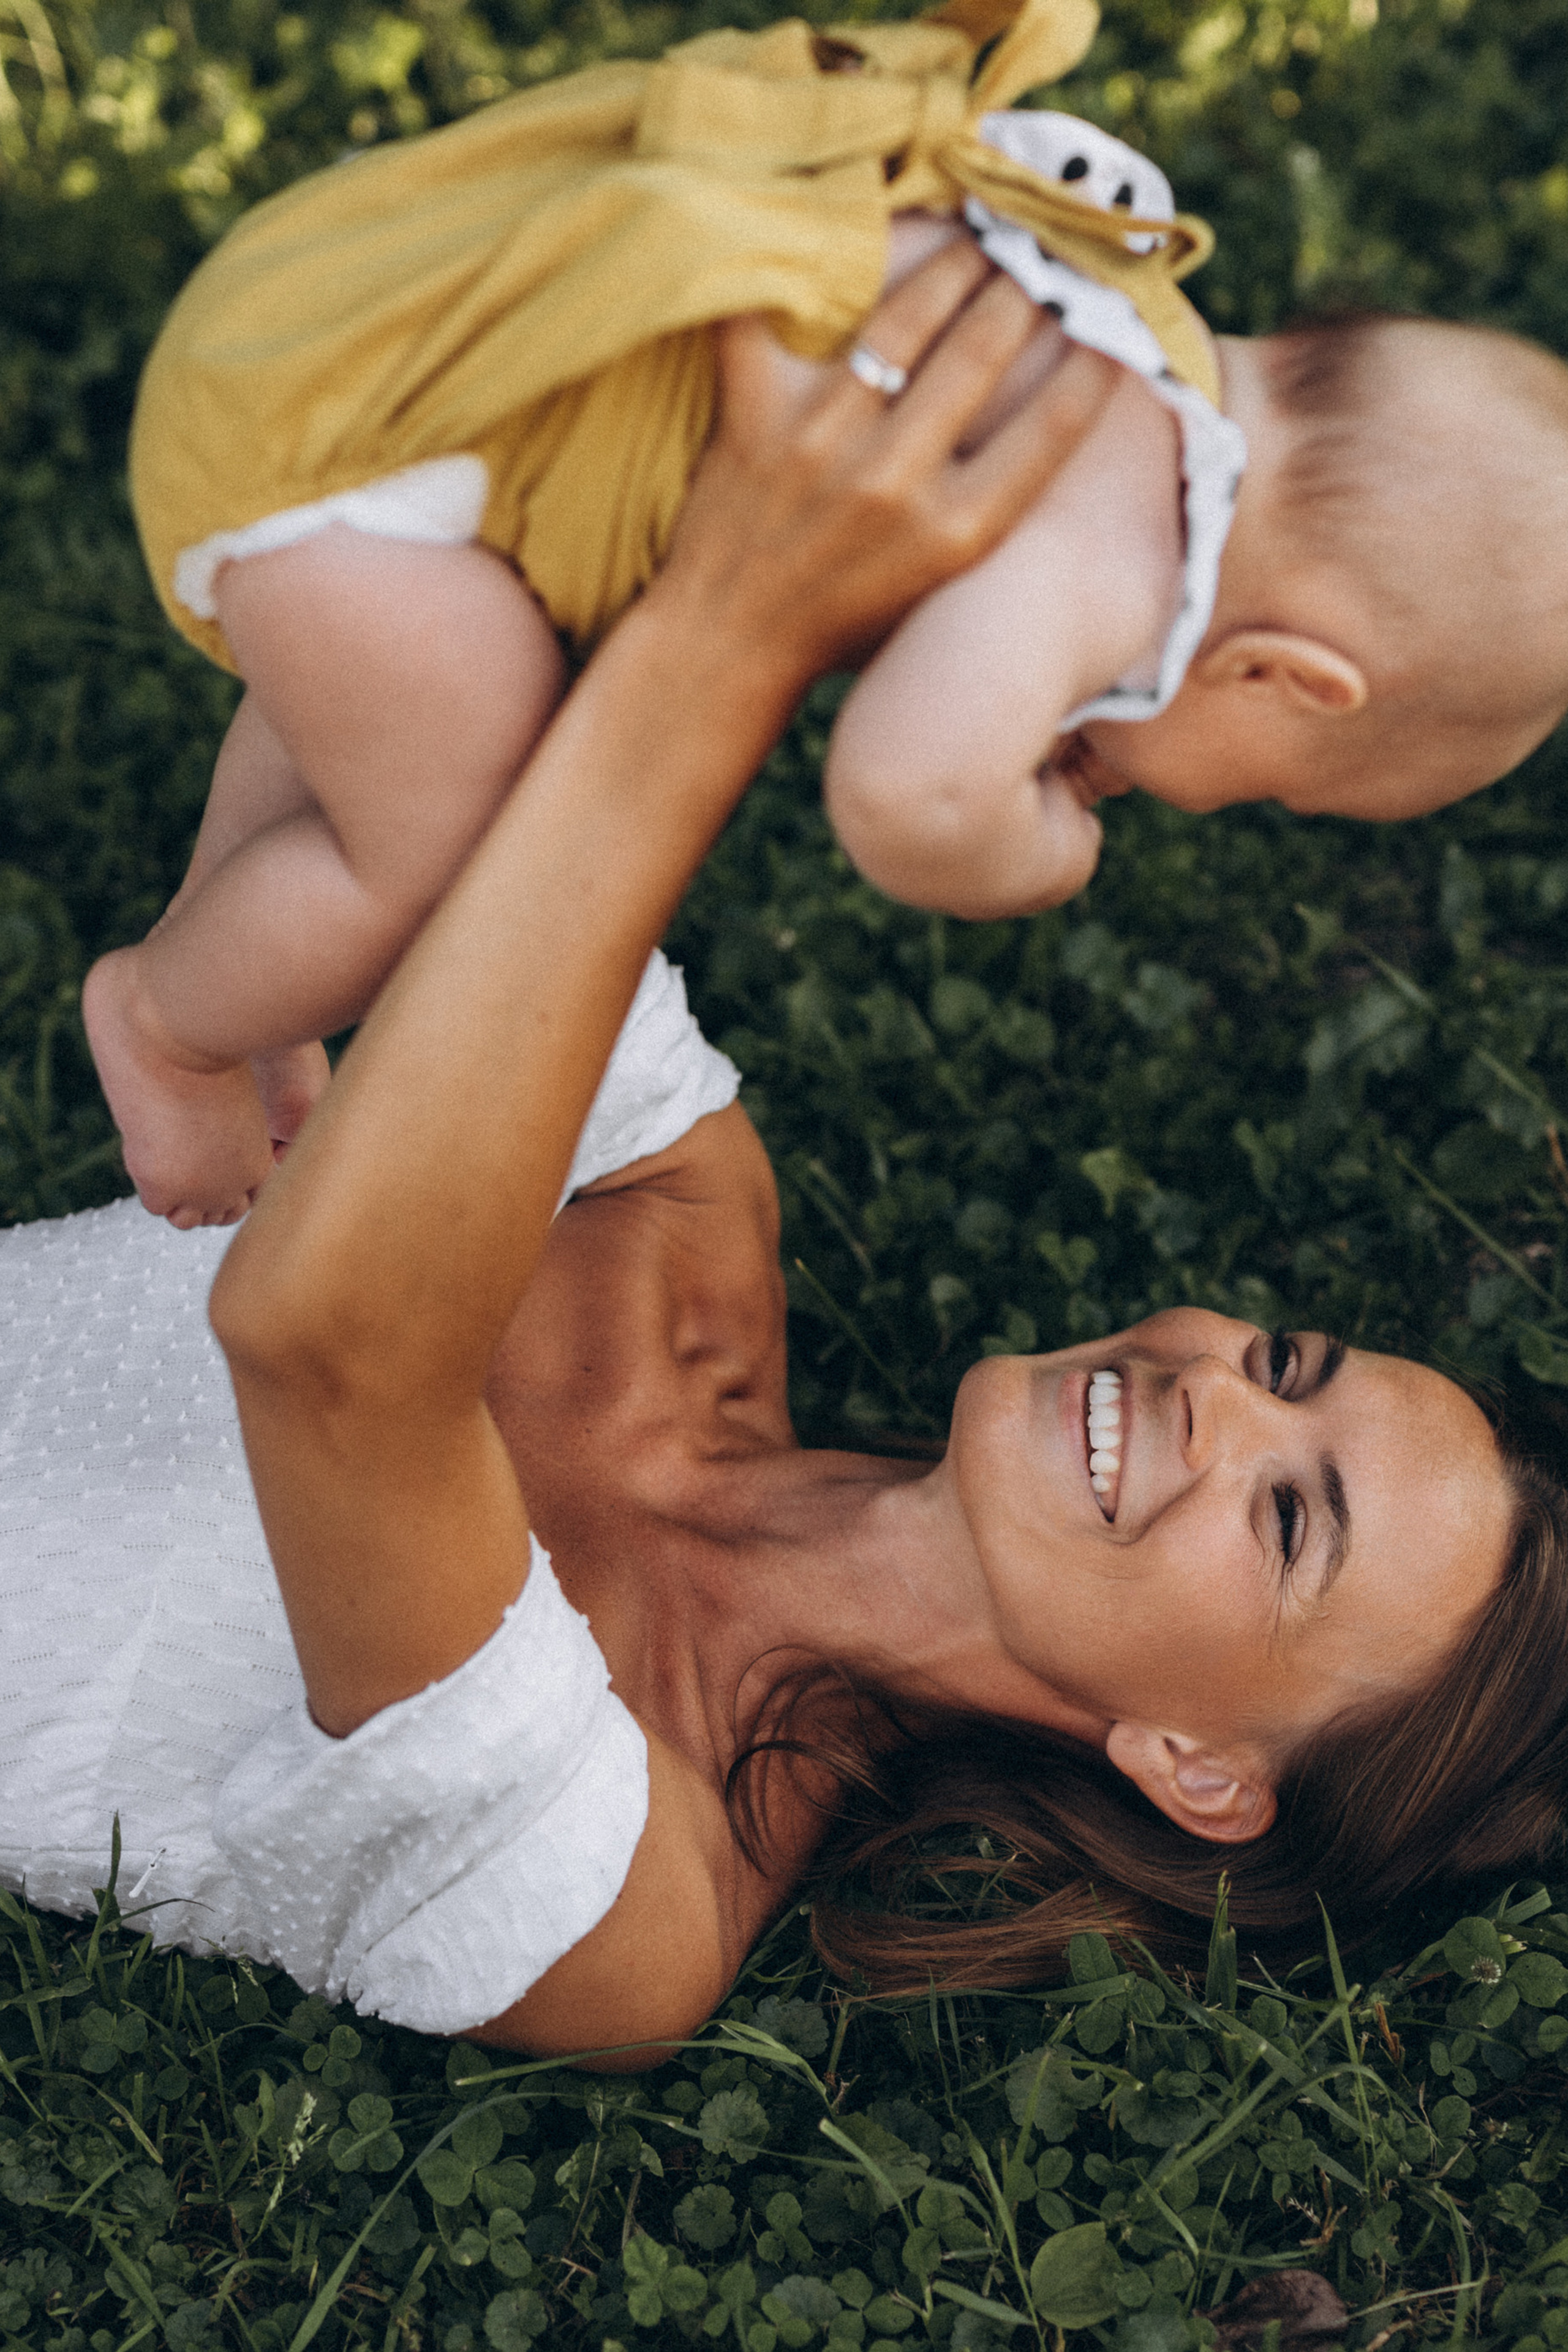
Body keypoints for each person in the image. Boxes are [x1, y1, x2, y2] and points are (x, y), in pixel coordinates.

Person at [6, 247, 1568, 2056]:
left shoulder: (633, 1894)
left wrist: (736, 632)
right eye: (1290, 1363)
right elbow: (452, 770)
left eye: (1293, 1519)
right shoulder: (682, 1206)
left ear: (1200, 1770)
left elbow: (327, 1355)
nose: (1219, 1388)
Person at [82, 0, 1568, 1229]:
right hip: (357, 459)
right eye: (1275, 806)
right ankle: (169, 1026)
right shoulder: (1112, 550)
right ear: (1288, 680)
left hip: (363, 321)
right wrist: (1032, 850)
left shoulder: (1113, 300)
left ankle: (254, 960)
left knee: (374, 734)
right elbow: (904, 793)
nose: (1220, 811)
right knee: (442, 854)